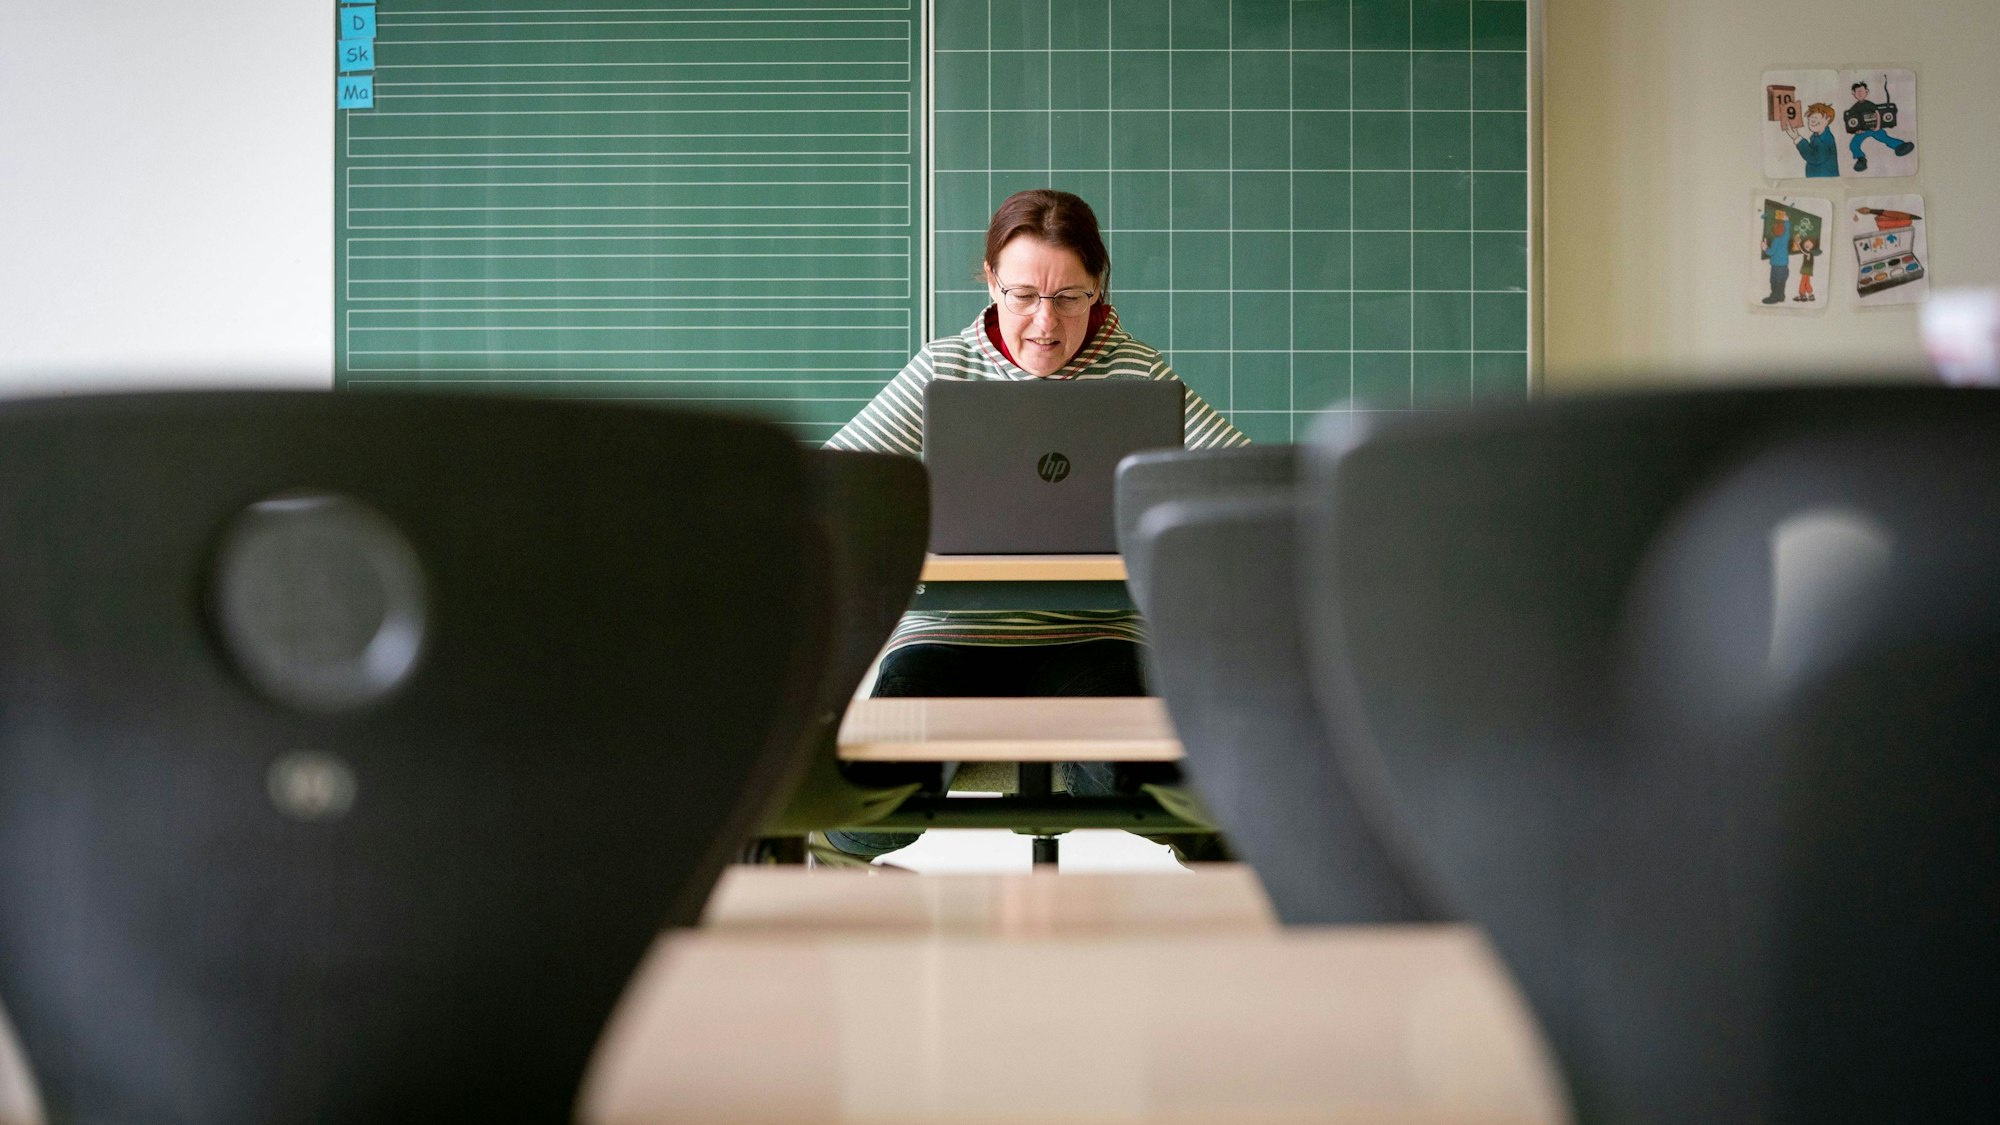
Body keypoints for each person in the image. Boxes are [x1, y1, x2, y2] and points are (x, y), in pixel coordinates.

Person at [821, 189, 1248, 861]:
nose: (1045, 323)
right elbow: (835, 480)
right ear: (991, 281)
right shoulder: (944, 369)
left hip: (1094, 638)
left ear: (1098, 287)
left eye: (1069, 297)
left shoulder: (1137, 373)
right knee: (876, 807)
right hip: (948, 637)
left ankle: (1230, 902)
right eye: (1023, 295)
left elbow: (1239, 481)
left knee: (1145, 786)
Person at [1844, 81, 1914, 173]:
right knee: (1853, 144)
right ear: (1853, 93)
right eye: (1857, 92)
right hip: (1863, 131)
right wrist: (1857, 130)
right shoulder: (1854, 108)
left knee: (1884, 137)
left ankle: (1900, 146)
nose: (1860, 94)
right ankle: (1861, 159)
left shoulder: (1870, 104)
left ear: (1866, 91)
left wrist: (1877, 126)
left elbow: (1878, 114)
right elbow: (1852, 121)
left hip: (1874, 128)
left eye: (1862, 91)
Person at [1781, 102, 1839, 178]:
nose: (1812, 121)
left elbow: (1814, 157)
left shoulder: (1825, 139)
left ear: (1827, 119)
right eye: (1810, 118)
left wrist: (1797, 138)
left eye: (1816, 119)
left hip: (1825, 180)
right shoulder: (1816, 137)